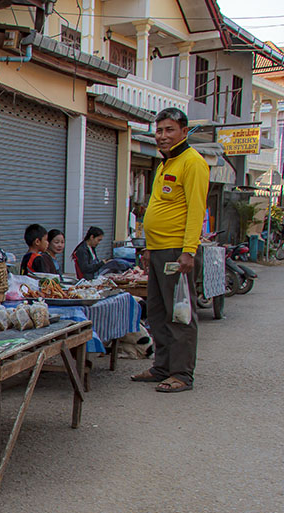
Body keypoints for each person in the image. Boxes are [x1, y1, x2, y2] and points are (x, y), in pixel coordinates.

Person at [131, 107, 209, 393]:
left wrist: (189, 251)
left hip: (177, 252)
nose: (162, 136)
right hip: (159, 251)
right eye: (160, 130)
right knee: (157, 312)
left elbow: (196, 210)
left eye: (169, 130)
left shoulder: (193, 162)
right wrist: (150, 248)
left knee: (180, 313)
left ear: (184, 132)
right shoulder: (166, 163)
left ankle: (181, 374)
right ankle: (161, 367)